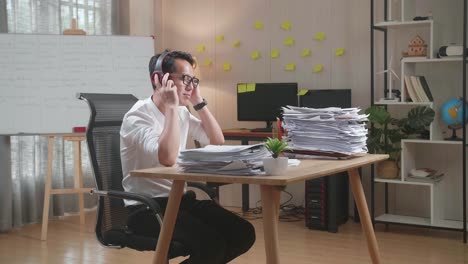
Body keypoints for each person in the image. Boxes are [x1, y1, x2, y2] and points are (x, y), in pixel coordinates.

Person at [120, 50, 256, 263]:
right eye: (185, 79)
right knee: (211, 244)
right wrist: (173, 107)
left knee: (243, 233)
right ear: (158, 79)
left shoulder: (183, 113)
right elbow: (167, 157)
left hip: (180, 201)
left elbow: (216, 140)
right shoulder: (138, 116)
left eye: (193, 79)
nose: (190, 85)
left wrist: (198, 102)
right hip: (147, 209)